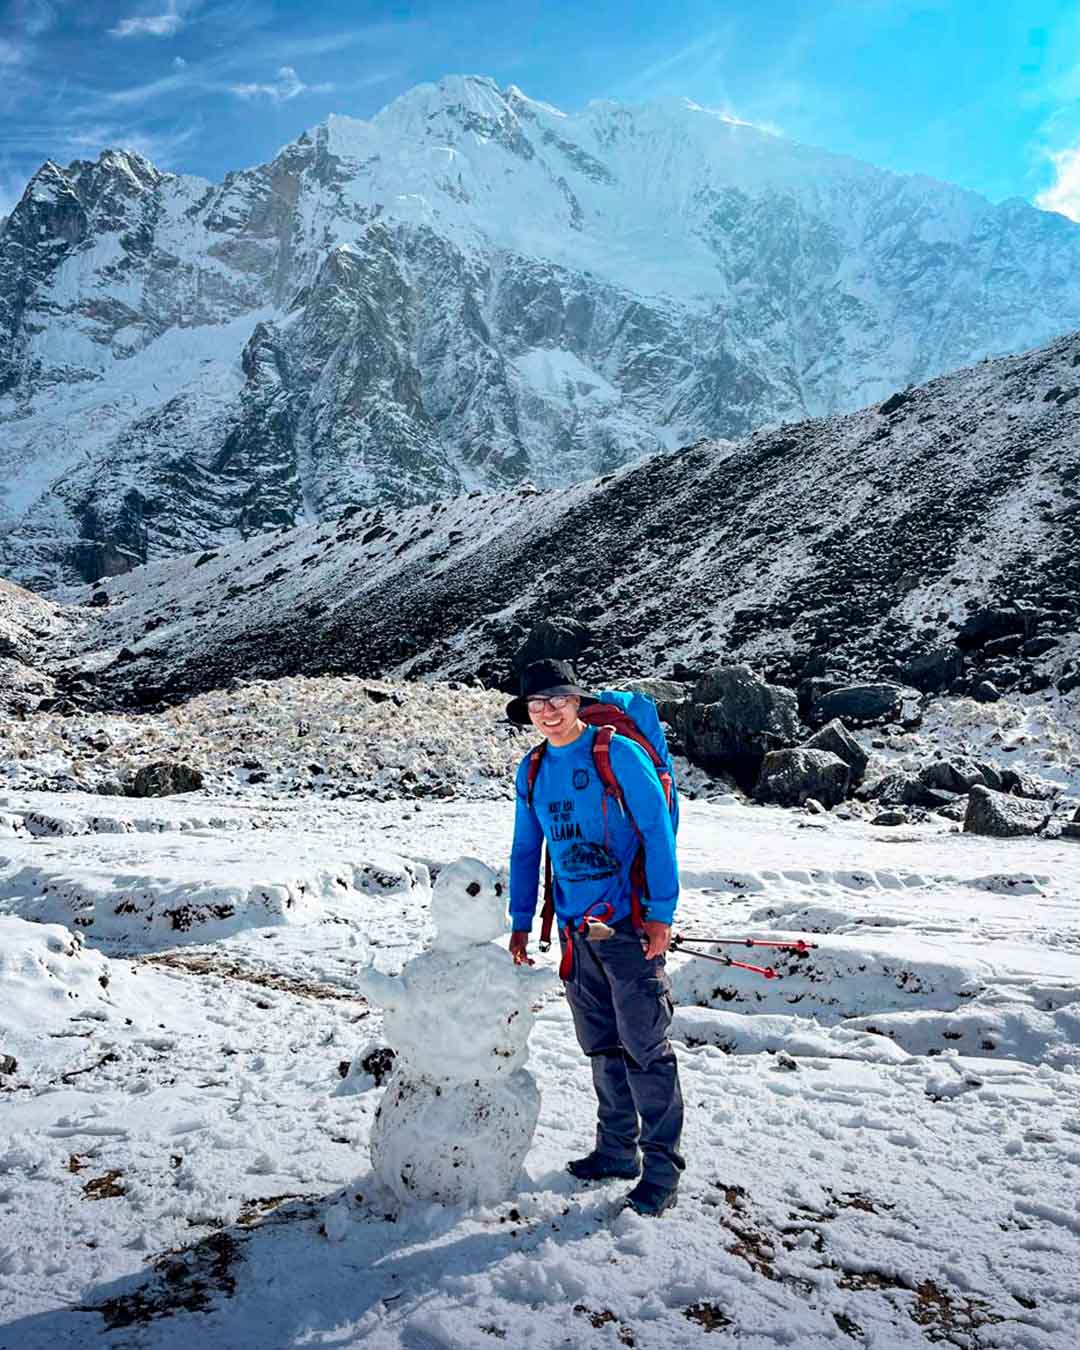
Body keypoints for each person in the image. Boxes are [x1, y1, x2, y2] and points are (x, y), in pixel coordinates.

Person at [506, 658, 684, 1217]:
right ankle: (615, 1150)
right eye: (536, 704)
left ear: (577, 700)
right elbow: (525, 849)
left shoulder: (617, 754)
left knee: (646, 1049)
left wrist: (661, 913)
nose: (548, 712)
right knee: (601, 1044)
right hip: (575, 931)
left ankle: (661, 1170)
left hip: (630, 927)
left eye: (557, 700)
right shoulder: (532, 770)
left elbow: (657, 834)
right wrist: (518, 919)